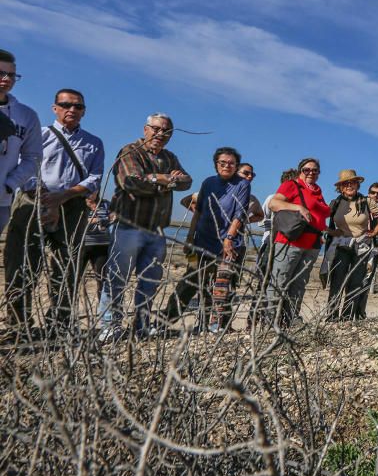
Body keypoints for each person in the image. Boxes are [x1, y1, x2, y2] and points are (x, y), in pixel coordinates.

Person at [4, 88, 104, 335]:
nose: (72, 110)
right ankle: (19, 326)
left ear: (84, 111)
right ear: (55, 108)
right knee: (21, 265)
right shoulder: (37, 134)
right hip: (32, 202)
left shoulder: (94, 143)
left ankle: (58, 325)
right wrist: (47, 200)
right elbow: (21, 166)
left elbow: (95, 177)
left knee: (67, 267)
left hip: (73, 207)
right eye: (66, 104)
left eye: (78, 106)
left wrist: (64, 197)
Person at [99, 113, 192, 341]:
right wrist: (164, 180)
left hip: (156, 230)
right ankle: (110, 326)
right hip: (128, 225)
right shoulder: (130, 151)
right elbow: (131, 181)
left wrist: (157, 179)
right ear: (145, 129)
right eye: (156, 129)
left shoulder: (170, 157)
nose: (160, 134)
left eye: (166, 131)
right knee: (117, 278)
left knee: (150, 280)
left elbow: (186, 181)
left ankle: (141, 325)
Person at [164, 147, 250, 332]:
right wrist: (189, 237)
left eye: (231, 163)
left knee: (221, 286)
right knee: (190, 282)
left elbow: (239, 214)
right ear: (216, 164)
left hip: (227, 245)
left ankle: (214, 326)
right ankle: (166, 321)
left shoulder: (242, 184)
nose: (227, 166)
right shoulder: (208, 182)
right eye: (223, 162)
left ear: (236, 166)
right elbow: (199, 211)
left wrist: (229, 237)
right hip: (202, 242)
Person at [265, 158, 331, 328]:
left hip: (312, 245)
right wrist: (298, 208)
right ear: (300, 170)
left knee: (299, 284)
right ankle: (271, 320)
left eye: (315, 170)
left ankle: (291, 318)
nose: (311, 173)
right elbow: (274, 203)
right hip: (291, 242)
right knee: (279, 281)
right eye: (306, 169)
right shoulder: (291, 185)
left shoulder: (318, 190)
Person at [323, 169, 378, 321]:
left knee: (355, 282)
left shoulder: (366, 201)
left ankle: (346, 318)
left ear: (358, 185)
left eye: (352, 182)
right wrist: (333, 233)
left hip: (361, 247)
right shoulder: (335, 203)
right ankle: (331, 317)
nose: (349, 185)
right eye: (345, 183)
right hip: (341, 246)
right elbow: (321, 219)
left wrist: (374, 231)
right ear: (340, 187)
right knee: (337, 282)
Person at [0, 49, 42, 236]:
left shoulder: (27, 115)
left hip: (2, 199)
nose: (7, 79)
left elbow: (33, 157)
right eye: (1, 73)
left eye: (11, 74)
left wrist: (10, 184)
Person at [81, 191, 113, 299]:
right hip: (83, 245)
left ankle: (103, 308)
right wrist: (97, 220)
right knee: (74, 278)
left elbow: (112, 217)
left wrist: (112, 218)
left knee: (102, 279)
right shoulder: (80, 204)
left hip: (102, 246)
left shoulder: (105, 204)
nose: (91, 192)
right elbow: (78, 221)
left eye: (94, 189)